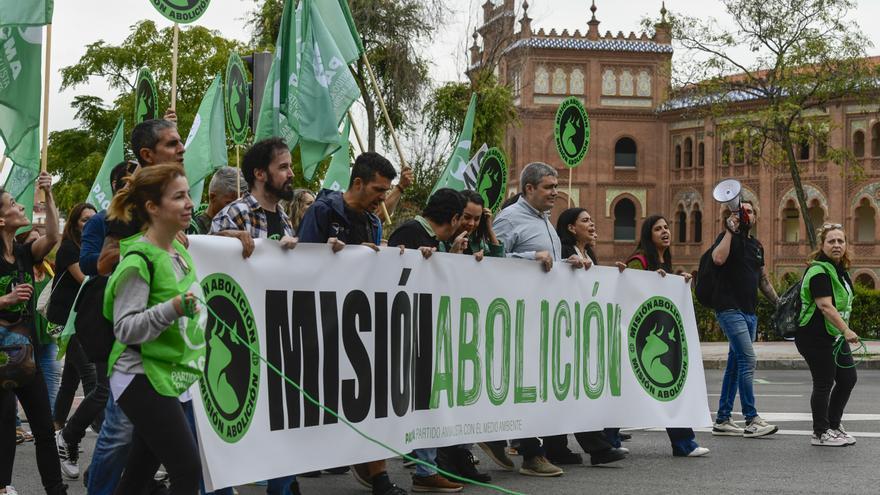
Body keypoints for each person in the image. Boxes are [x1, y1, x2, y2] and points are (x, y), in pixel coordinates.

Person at [492, 163, 626, 476]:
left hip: (543, 321)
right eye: (548, 187)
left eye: (555, 186)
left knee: (537, 389)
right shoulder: (510, 219)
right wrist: (530, 258)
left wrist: (568, 264)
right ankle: (530, 453)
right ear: (528, 189)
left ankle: (538, 447)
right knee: (523, 388)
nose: (555, 192)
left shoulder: (545, 221)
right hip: (516, 318)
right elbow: (490, 260)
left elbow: (548, 267)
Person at [86, 119, 190, 495]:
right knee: (119, 439)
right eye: (172, 143)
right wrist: (150, 244)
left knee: (144, 456)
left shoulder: (172, 214)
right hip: (134, 359)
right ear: (147, 154)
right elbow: (99, 264)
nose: (182, 148)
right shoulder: (127, 219)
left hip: (168, 362)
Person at [298, 152, 408, 495]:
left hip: (361, 326)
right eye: (378, 189)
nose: (382, 197)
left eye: (386, 190)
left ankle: (379, 477)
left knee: (371, 399)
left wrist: (397, 256)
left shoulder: (375, 222)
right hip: (322, 322)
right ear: (357, 183)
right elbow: (301, 261)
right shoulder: (323, 211)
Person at [102, 163, 204, 494]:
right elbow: (126, 329)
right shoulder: (137, 261)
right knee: (187, 468)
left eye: (188, 194)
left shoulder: (180, 253)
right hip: (138, 374)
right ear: (153, 207)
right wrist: (172, 309)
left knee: (138, 475)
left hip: (166, 371)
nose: (189, 203)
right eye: (178, 197)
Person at [209, 138, 300, 495]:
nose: (291, 173)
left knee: (279, 428)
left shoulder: (285, 221)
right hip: (239, 341)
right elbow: (201, 257)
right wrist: (226, 240)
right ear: (260, 174)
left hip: (275, 338)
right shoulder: (235, 214)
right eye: (283, 167)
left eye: (290, 166)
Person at [388, 189, 466, 493]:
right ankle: (421, 467)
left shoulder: (434, 239)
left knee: (429, 399)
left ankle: (427, 467)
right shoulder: (411, 232)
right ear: (455, 218)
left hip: (424, 329)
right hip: (407, 330)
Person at [616, 215, 709, 457]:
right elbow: (628, 293)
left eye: (667, 227)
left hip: (655, 338)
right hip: (637, 340)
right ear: (649, 235)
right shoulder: (638, 261)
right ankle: (608, 439)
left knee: (668, 387)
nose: (665, 232)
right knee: (630, 388)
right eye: (658, 229)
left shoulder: (664, 262)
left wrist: (680, 283)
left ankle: (684, 442)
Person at [0, 172, 66, 495]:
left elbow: (53, 236)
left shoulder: (24, 253)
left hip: (24, 356)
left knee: (42, 426)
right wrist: (6, 299)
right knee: (2, 430)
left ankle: (56, 489)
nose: (20, 206)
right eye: (13, 204)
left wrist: (49, 194)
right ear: (1, 219)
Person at [709, 201, 779, 438]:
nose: (746, 214)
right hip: (730, 310)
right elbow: (718, 259)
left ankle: (722, 418)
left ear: (755, 217)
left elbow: (764, 281)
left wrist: (780, 304)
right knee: (748, 359)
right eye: (741, 211)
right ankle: (751, 419)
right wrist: (730, 230)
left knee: (735, 365)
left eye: (750, 211)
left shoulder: (757, 246)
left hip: (750, 313)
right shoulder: (725, 238)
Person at [49, 203, 106, 479]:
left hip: (83, 322)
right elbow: (87, 278)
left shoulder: (95, 247)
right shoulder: (71, 249)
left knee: (71, 380)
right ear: (73, 223)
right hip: (66, 324)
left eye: (93, 220)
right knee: (94, 380)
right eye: (84, 220)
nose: (89, 224)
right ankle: (91, 437)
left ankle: (59, 430)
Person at [795, 224, 859, 447]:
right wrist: (846, 330)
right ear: (822, 245)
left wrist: (842, 331)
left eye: (840, 241)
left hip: (833, 336)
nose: (837, 245)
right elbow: (825, 306)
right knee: (823, 382)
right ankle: (820, 433)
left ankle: (833, 424)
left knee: (848, 378)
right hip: (813, 336)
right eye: (831, 241)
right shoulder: (819, 271)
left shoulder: (839, 270)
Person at [187, 167, 245, 235]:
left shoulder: (245, 226)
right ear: (212, 197)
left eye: (240, 204)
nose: (236, 209)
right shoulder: (194, 228)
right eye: (229, 203)